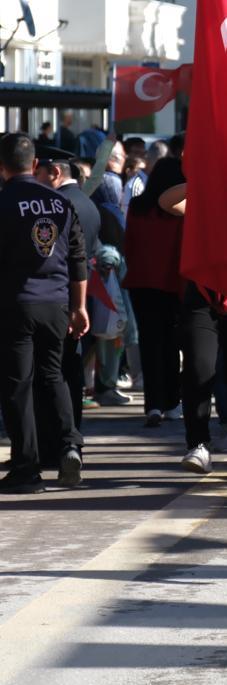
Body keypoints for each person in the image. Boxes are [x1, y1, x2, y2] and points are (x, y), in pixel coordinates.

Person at [0, 133, 90, 493]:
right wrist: (80, 307)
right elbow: (78, 258)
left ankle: (27, 467)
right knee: (54, 376)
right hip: (56, 303)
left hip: (15, 305)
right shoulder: (60, 203)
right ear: (34, 164)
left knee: (18, 386)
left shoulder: (4, 203)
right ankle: (70, 444)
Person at [158, 181, 227, 481]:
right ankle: (199, 445)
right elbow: (167, 201)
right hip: (203, 298)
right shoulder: (202, 204)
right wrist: (200, 179)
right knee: (197, 369)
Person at [36, 146, 100, 432]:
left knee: (52, 373)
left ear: (55, 173)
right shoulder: (87, 203)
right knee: (71, 371)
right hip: (78, 299)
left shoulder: (55, 204)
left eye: (38, 172)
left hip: (57, 297)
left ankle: (58, 436)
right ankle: (72, 433)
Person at [123, 156, 186, 427]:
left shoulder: (137, 206)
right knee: (172, 344)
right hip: (173, 282)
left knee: (150, 343)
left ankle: (154, 405)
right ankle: (172, 401)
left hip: (141, 282)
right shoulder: (178, 209)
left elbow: (130, 243)